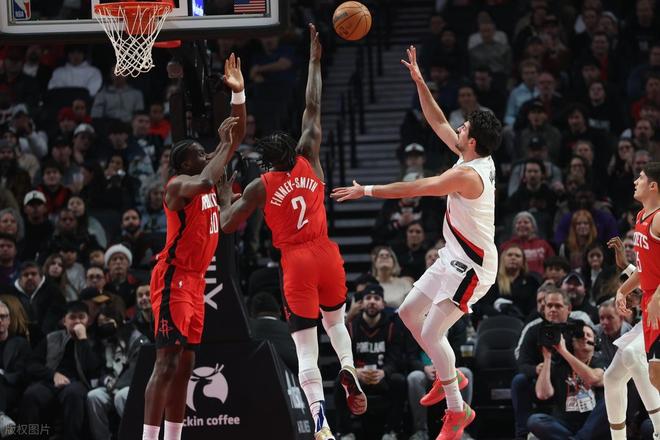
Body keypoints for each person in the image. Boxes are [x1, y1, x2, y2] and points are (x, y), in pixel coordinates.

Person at [332, 45, 501, 440]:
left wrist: (366, 190)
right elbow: (438, 120)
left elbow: (416, 187)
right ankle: (449, 372)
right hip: (453, 256)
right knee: (408, 315)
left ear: (472, 141)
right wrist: (420, 82)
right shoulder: (474, 156)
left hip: (474, 266)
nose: (458, 129)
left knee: (433, 334)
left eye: (464, 128)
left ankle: (457, 410)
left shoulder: (467, 175)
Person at [218, 25, 366, 440]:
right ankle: (348, 365)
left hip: (295, 261)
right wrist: (315, 60)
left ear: (267, 163)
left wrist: (226, 189)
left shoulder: (260, 186)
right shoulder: (309, 155)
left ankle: (321, 422)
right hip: (326, 253)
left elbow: (227, 222)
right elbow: (313, 104)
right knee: (336, 323)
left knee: (305, 347)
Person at [141, 53, 245, 440]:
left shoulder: (207, 183)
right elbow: (207, 176)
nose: (206, 156)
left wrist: (238, 95)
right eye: (199, 155)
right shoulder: (179, 186)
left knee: (185, 366)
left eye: (206, 154)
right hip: (173, 279)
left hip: (196, 283)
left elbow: (235, 138)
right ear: (184, 164)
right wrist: (221, 147)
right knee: (166, 364)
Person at [611, 162, 660, 439]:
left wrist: (658, 296)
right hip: (650, 301)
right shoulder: (642, 216)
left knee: (648, 367)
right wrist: (623, 290)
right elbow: (645, 270)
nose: (635, 182)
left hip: (658, 302)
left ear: (653, 185)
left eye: (640, 178)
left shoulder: (659, 218)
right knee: (652, 375)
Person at [20, 301, 102, 440]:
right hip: (50, 380)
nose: (77, 321)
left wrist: (83, 340)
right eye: (72, 317)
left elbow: (94, 369)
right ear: (64, 321)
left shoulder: (94, 340)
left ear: (88, 320)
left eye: (81, 317)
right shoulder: (52, 338)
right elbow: (32, 364)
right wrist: (53, 375)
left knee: (73, 393)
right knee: (31, 394)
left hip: (78, 382)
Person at [527, 323, 609, 439]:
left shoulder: (600, 361)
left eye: (588, 335)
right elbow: (543, 394)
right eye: (580, 335)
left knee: (608, 402)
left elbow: (593, 379)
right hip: (564, 423)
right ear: (572, 341)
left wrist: (563, 351)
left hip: (591, 423)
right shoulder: (560, 364)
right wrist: (547, 358)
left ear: (595, 342)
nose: (584, 337)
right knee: (535, 420)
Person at [0, 299, 30, 437]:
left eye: (3, 316)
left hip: (11, 388)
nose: (0, 320)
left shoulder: (20, 344)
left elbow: (22, 373)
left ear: (9, 320)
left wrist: (2, 375)